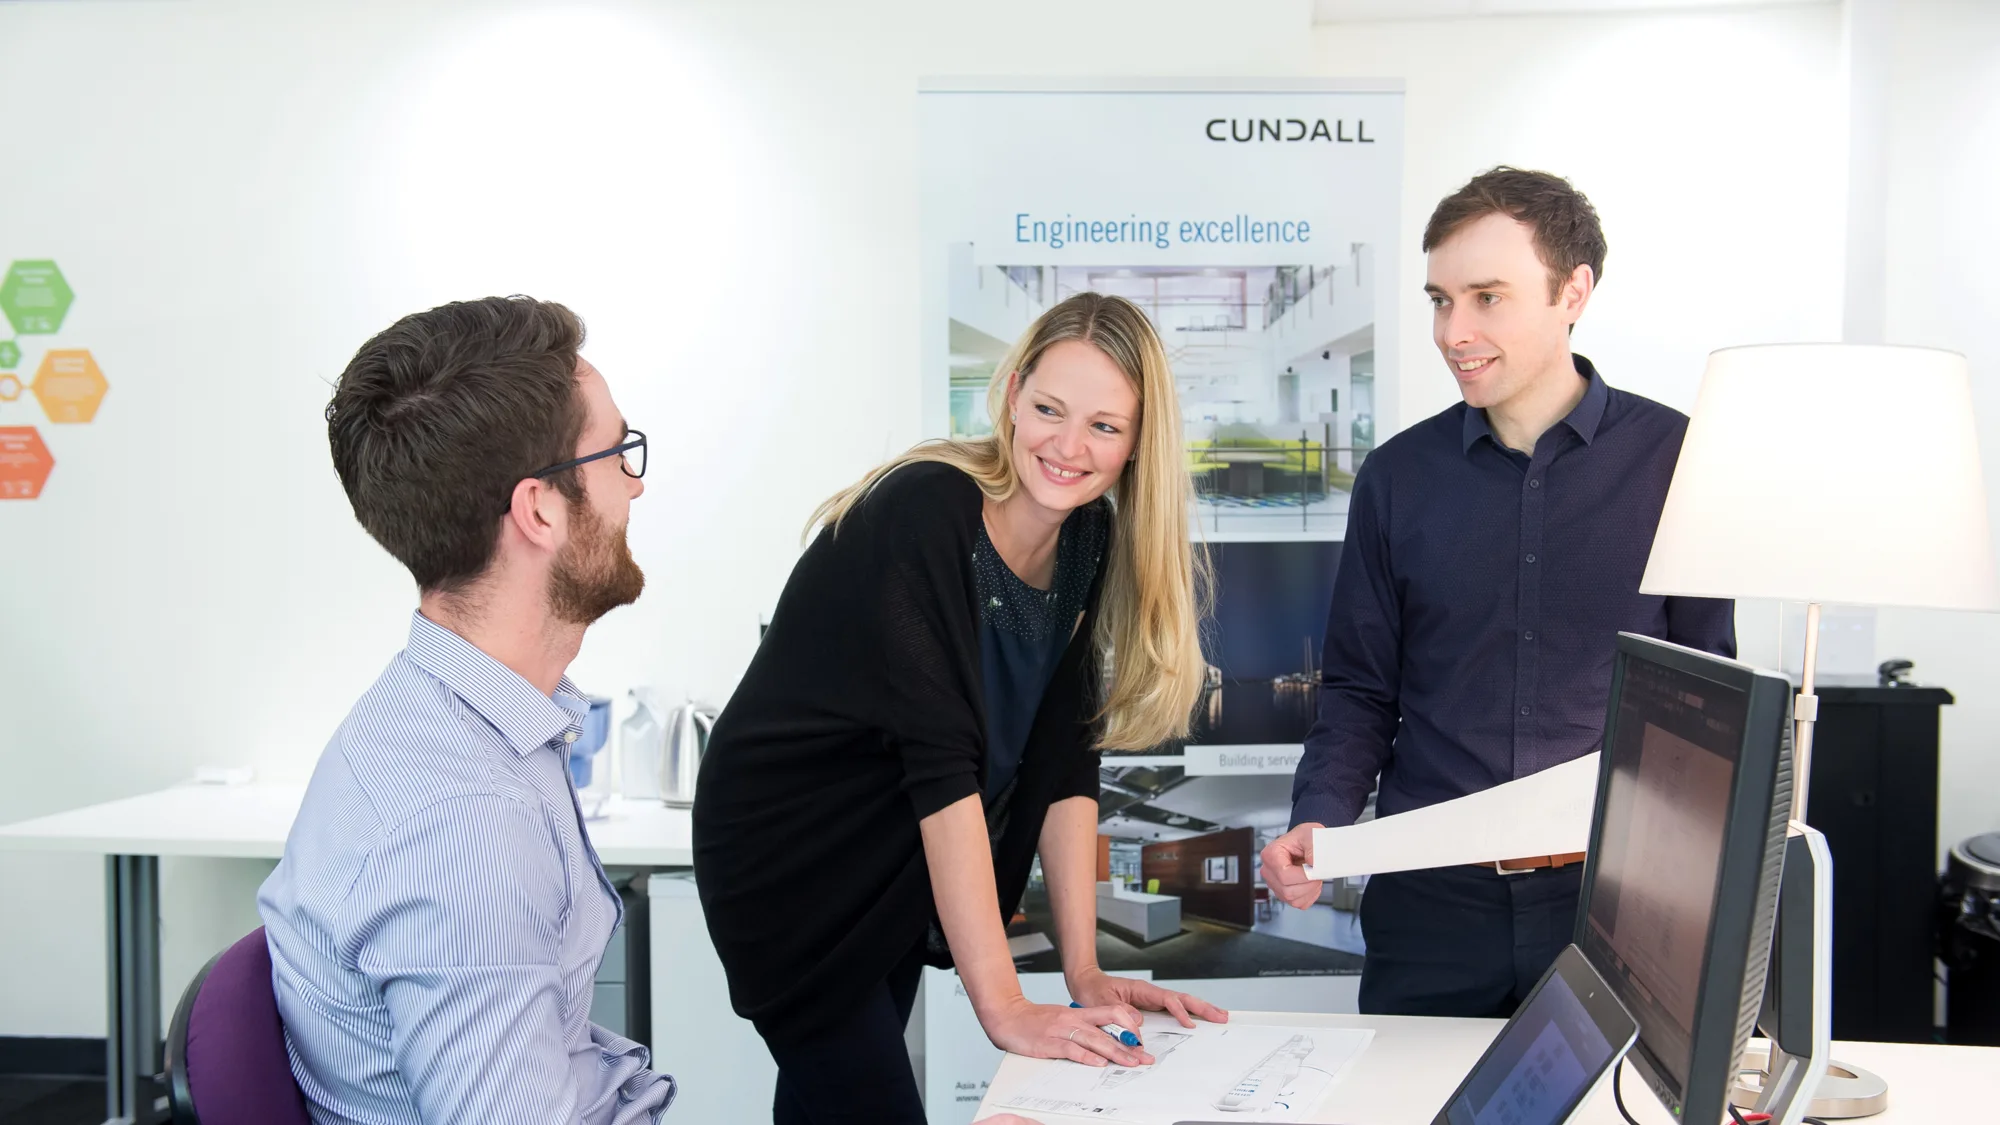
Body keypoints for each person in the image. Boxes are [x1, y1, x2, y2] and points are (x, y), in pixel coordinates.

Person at [694, 292, 1228, 1124]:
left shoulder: (1088, 539)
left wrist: (1082, 969)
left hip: (896, 858)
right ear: (1012, 393)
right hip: (793, 852)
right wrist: (1006, 1006)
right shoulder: (925, 510)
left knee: (823, 1104)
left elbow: (1065, 761)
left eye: (1103, 426)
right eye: (1049, 408)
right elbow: (941, 770)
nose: (1067, 445)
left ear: (1137, 443)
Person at [1259, 168, 1736, 1017]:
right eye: (1441, 299)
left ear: (1573, 291)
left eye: (1487, 297)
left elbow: (1702, 695)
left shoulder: (1680, 462)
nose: (1455, 330)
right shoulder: (1396, 477)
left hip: (1618, 904)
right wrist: (1320, 816)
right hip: (1431, 904)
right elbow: (1361, 690)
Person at [258, 296, 674, 1124]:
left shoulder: (457, 719)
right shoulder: (464, 824)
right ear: (540, 510)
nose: (637, 484)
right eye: (619, 453)